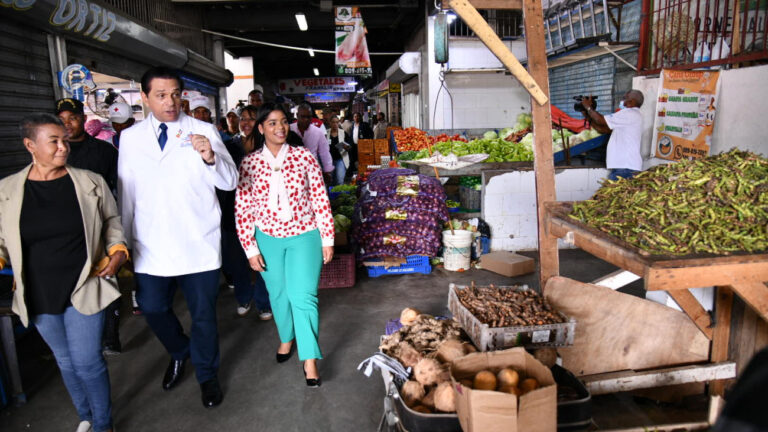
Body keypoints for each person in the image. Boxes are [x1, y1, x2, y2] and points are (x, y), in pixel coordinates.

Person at [118, 66, 238, 408]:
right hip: (149, 243)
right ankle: (179, 350)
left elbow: (229, 181)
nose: (170, 102)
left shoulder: (202, 130)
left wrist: (210, 156)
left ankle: (207, 375)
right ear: (144, 97)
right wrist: (124, 238)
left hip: (197, 240)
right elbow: (126, 191)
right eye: (160, 95)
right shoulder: (130, 138)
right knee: (153, 307)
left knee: (203, 315)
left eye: (174, 94)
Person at [0, 114, 127, 432]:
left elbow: (112, 221)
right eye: (53, 141)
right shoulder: (7, 191)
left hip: (84, 283)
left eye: (64, 140)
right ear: (30, 145)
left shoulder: (89, 182)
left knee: (87, 361)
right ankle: (85, 415)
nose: (63, 146)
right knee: (66, 361)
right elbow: (3, 240)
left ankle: (103, 423)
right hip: (37, 290)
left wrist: (118, 251)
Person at [235, 102, 334, 387]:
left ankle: (310, 358)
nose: (279, 128)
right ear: (261, 128)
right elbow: (243, 209)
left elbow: (319, 199)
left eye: (282, 122)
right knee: (278, 295)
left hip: (305, 234)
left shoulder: (304, 157)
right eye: (272, 123)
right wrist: (250, 248)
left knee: (303, 296)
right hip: (267, 238)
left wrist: (327, 238)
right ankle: (286, 337)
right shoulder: (249, 163)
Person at [221, 105, 272, 320]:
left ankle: (263, 302)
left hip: (264, 212)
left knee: (263, 258)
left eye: (252, 118)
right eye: (243, 118)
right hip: (232, 210)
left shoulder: (268, 147)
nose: (246, 122)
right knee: (237, 260)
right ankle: (243, 297)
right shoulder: (228, 147)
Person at [56, 98, 118, 192]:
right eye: (61, 119)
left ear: (84, 118)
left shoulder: (105, 151)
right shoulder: (51, 152)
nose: (66, 123)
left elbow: (119, 186)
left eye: (72, 118)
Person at [581, 90, 644, 181]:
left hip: (625, 167)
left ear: (632, 101)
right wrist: (587, 115)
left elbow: (600, 120)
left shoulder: (629, 113)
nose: (622, 100)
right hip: (624, 167)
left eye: (625, 98)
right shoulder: (631, 116)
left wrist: (588, 107)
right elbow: (602, 129)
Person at [290, 103, 334, 177]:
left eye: (309, 117)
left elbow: (324, 152)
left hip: (312, 170)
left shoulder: (318, 132)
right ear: (297, 115)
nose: (306, 120)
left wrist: (328, 171)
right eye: (303, 117)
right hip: (292, 170)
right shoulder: (289, 129)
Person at [326, 115, 351, 185]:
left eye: (337, 122)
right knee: (331, 181)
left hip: (340, 159)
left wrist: (347, 147)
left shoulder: (343, 133)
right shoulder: (326, 133)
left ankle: (340, 195)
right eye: (333, 122)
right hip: (329, 160)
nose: (335, 124)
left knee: (339, 180)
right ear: (330, 123)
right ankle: (332, 195)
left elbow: (349, 145)